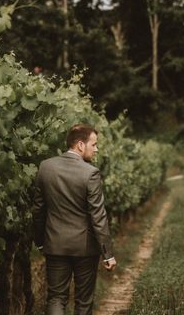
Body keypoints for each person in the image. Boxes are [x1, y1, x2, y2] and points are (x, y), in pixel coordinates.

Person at [32, 123, 117, 315]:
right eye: (93, 144)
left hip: (55, 244)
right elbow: (98, 216)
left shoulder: (46, 167)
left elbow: (38, 209)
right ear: (80, 145)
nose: (96, 149)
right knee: (83, 301)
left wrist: (40, 242)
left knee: (55, 298)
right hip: (85, 248)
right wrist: (108, 253)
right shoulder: (90, 173)